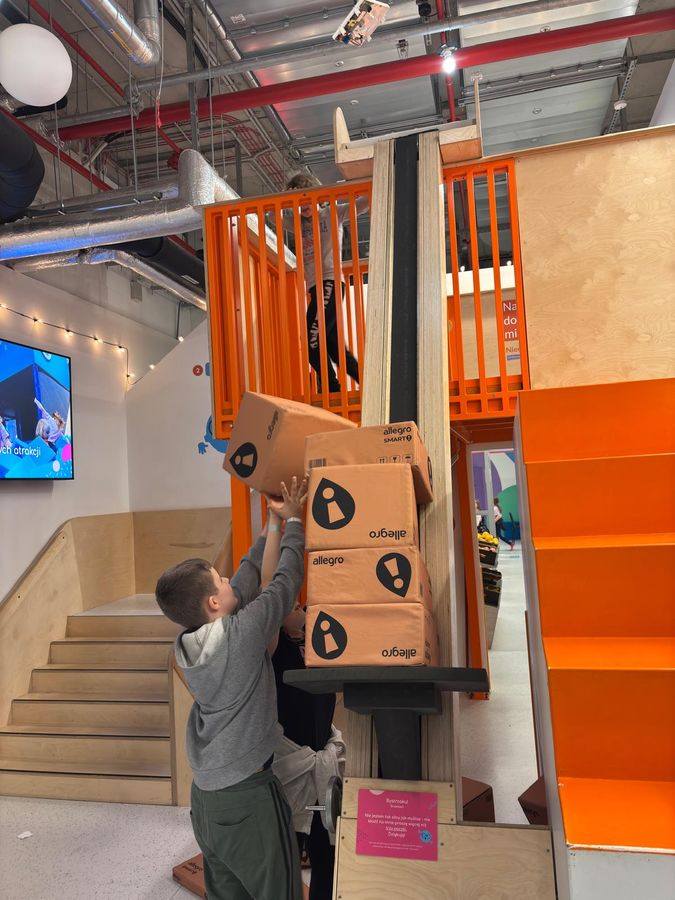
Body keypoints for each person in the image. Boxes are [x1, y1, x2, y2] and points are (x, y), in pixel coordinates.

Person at [155, 476, 309, 900]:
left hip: (206, 800)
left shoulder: (185, 644)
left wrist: (271, 525)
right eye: (219, 579)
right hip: (247, 799)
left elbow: (243, 581)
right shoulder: (243, 634)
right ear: (213, 603)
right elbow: (284, 583)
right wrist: (296, 522)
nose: (228, 580)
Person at [262, 509, 339, 900]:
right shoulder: (274, 649)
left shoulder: (320, 644)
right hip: (289, 772)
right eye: (292, 606)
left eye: (300, 604)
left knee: (327, 850)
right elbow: (271, 588)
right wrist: (277, 524)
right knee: (288, 851)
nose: (300, 607)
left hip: (321, 770)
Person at [285, 172, 368, 394]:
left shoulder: (332, 212)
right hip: (316, 287)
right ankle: (368, 384)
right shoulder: (297, 223)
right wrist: (287, 200)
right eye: (298, 202)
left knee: (311, 342)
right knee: (333, 345)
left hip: (329, 281)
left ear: (317, 196)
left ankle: (332, 389)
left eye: (306, 198)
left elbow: (363, 204)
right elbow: (272, 214)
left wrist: (361, 183)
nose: (303, 206)